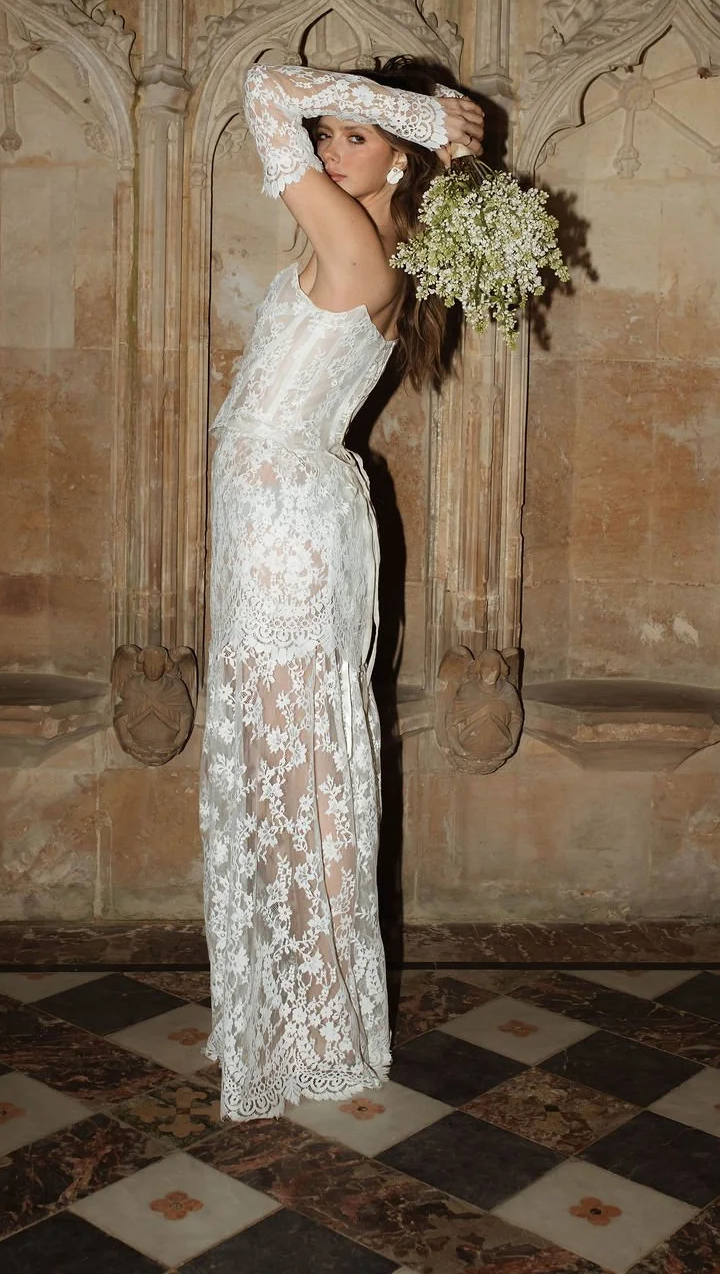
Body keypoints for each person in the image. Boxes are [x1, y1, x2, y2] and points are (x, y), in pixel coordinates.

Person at [200, 59, 484, 1120]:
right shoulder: (365, 240)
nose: (327, 145)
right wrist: (405, 124)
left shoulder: (358, 244)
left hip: (284, 529)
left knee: (294, 770)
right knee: (288, 764)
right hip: (279, 517)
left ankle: (310, 1028)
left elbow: (261, 86)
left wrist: (421, 114)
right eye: (329, 133)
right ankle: (296, 1015)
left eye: (353, 135)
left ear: (400, 157)